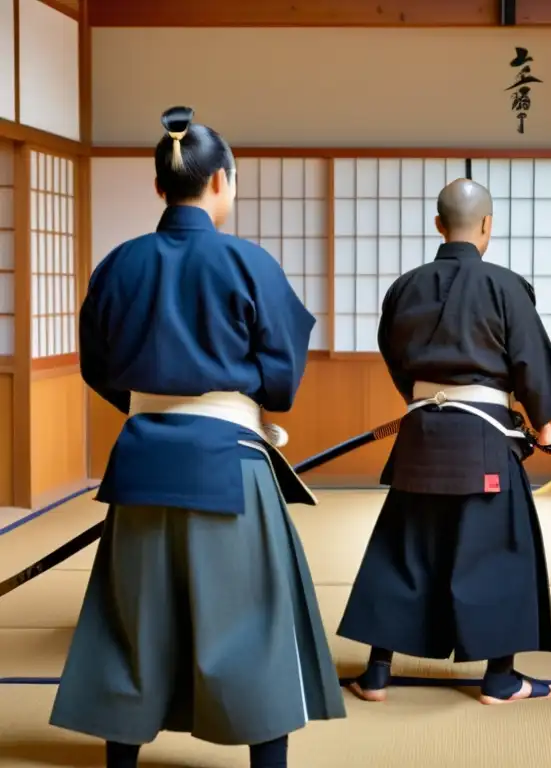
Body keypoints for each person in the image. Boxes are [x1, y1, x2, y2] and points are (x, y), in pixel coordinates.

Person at [48, 106, 346, 768]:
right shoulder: (249, 263)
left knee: (132, 622)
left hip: (140, 460)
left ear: (160, 188)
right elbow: (281, 382)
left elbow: (98, 369)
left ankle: (119, 760)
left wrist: (153, 402)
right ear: (223, 183)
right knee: (255, 622)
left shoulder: (118, 266)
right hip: (230, 465)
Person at [337, 178, 551, 705]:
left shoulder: (404, 288)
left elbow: (397, 362)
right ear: (487, 225)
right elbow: (529, 364)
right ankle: (500, 679)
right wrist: (546, 431)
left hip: (421, 437)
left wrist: (426, 400)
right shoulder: (507, 286)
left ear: (438, 225)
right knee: (501, 553)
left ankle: (377, 673)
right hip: (485, 442)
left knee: (402, 551)